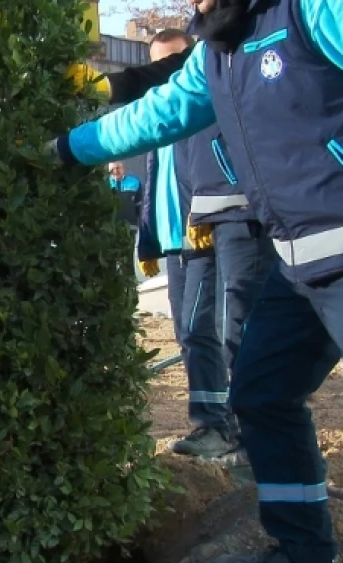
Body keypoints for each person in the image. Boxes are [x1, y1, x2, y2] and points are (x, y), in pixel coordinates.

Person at [51, 0, 343, 563]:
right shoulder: (218, 49)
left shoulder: (317, 10)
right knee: (260, 393)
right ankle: (305, 560)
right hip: (298, 258)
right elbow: (160, 113)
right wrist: (69, 148)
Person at [137, 29, 237, 459]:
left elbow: (214, 167)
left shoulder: (203, 109)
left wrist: (202, 213)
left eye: (175, 62)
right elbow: (154, 186)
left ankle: (216, 423)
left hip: (202, 236)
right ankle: (215, 419)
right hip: (174, 241)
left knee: (201, 329)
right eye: (159, 65)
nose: (168, 74)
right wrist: (147, 242)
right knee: (186, 331)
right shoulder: (160, 120)